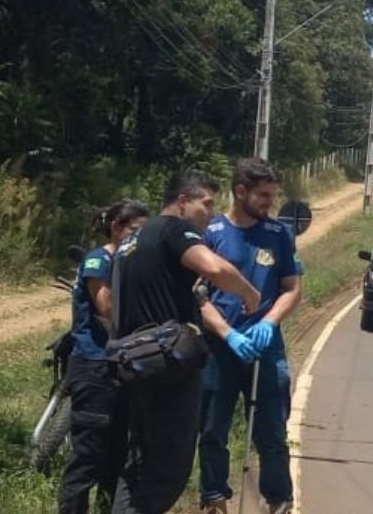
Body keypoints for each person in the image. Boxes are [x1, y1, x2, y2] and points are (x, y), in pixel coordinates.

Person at [108, 171, 261, 514]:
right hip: (168, 365)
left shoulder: (133, 241)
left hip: (134, 364)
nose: (211, 211)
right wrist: (249, 293)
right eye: (206, 203)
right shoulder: (174, 229)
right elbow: (215, 269)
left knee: (138, 464)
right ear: (182, 201)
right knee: (170, 469)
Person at [197, 159, 302, 514]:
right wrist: (227, 335)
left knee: (272, 433)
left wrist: (270, 322)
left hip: (265, 348)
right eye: (263, 195)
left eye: (273, 195)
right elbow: (197, 298)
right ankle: (213, 497)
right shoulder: (210, 234)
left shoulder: (278, 235)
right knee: (213, 429)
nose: (270, 202)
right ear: (240, 192)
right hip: (219, 347)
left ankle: (278, 500)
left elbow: (292, 288)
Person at [58, 199, 150, 514]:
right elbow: (107, 309)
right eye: (134, 231)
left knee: (117, 456)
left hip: (120, 367)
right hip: (95, 367)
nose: (138, 239)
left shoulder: (128, 262)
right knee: (88, 458)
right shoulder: (99, 261)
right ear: (115, 227)